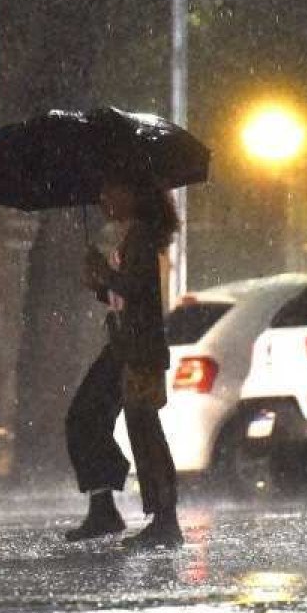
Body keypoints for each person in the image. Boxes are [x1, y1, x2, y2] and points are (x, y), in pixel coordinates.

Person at [62, 173, 183, 549]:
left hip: (139, 348)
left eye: (112, 187)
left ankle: (164, 520)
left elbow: (136, 289)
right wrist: (101, 283)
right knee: (86, 415)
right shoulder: (131, 235)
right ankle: (104, 505)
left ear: (134, 191)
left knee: (143, 429)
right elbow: (125, 293)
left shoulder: (143, 236)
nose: (104, 196)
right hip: (122, 345)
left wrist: (106, 275)